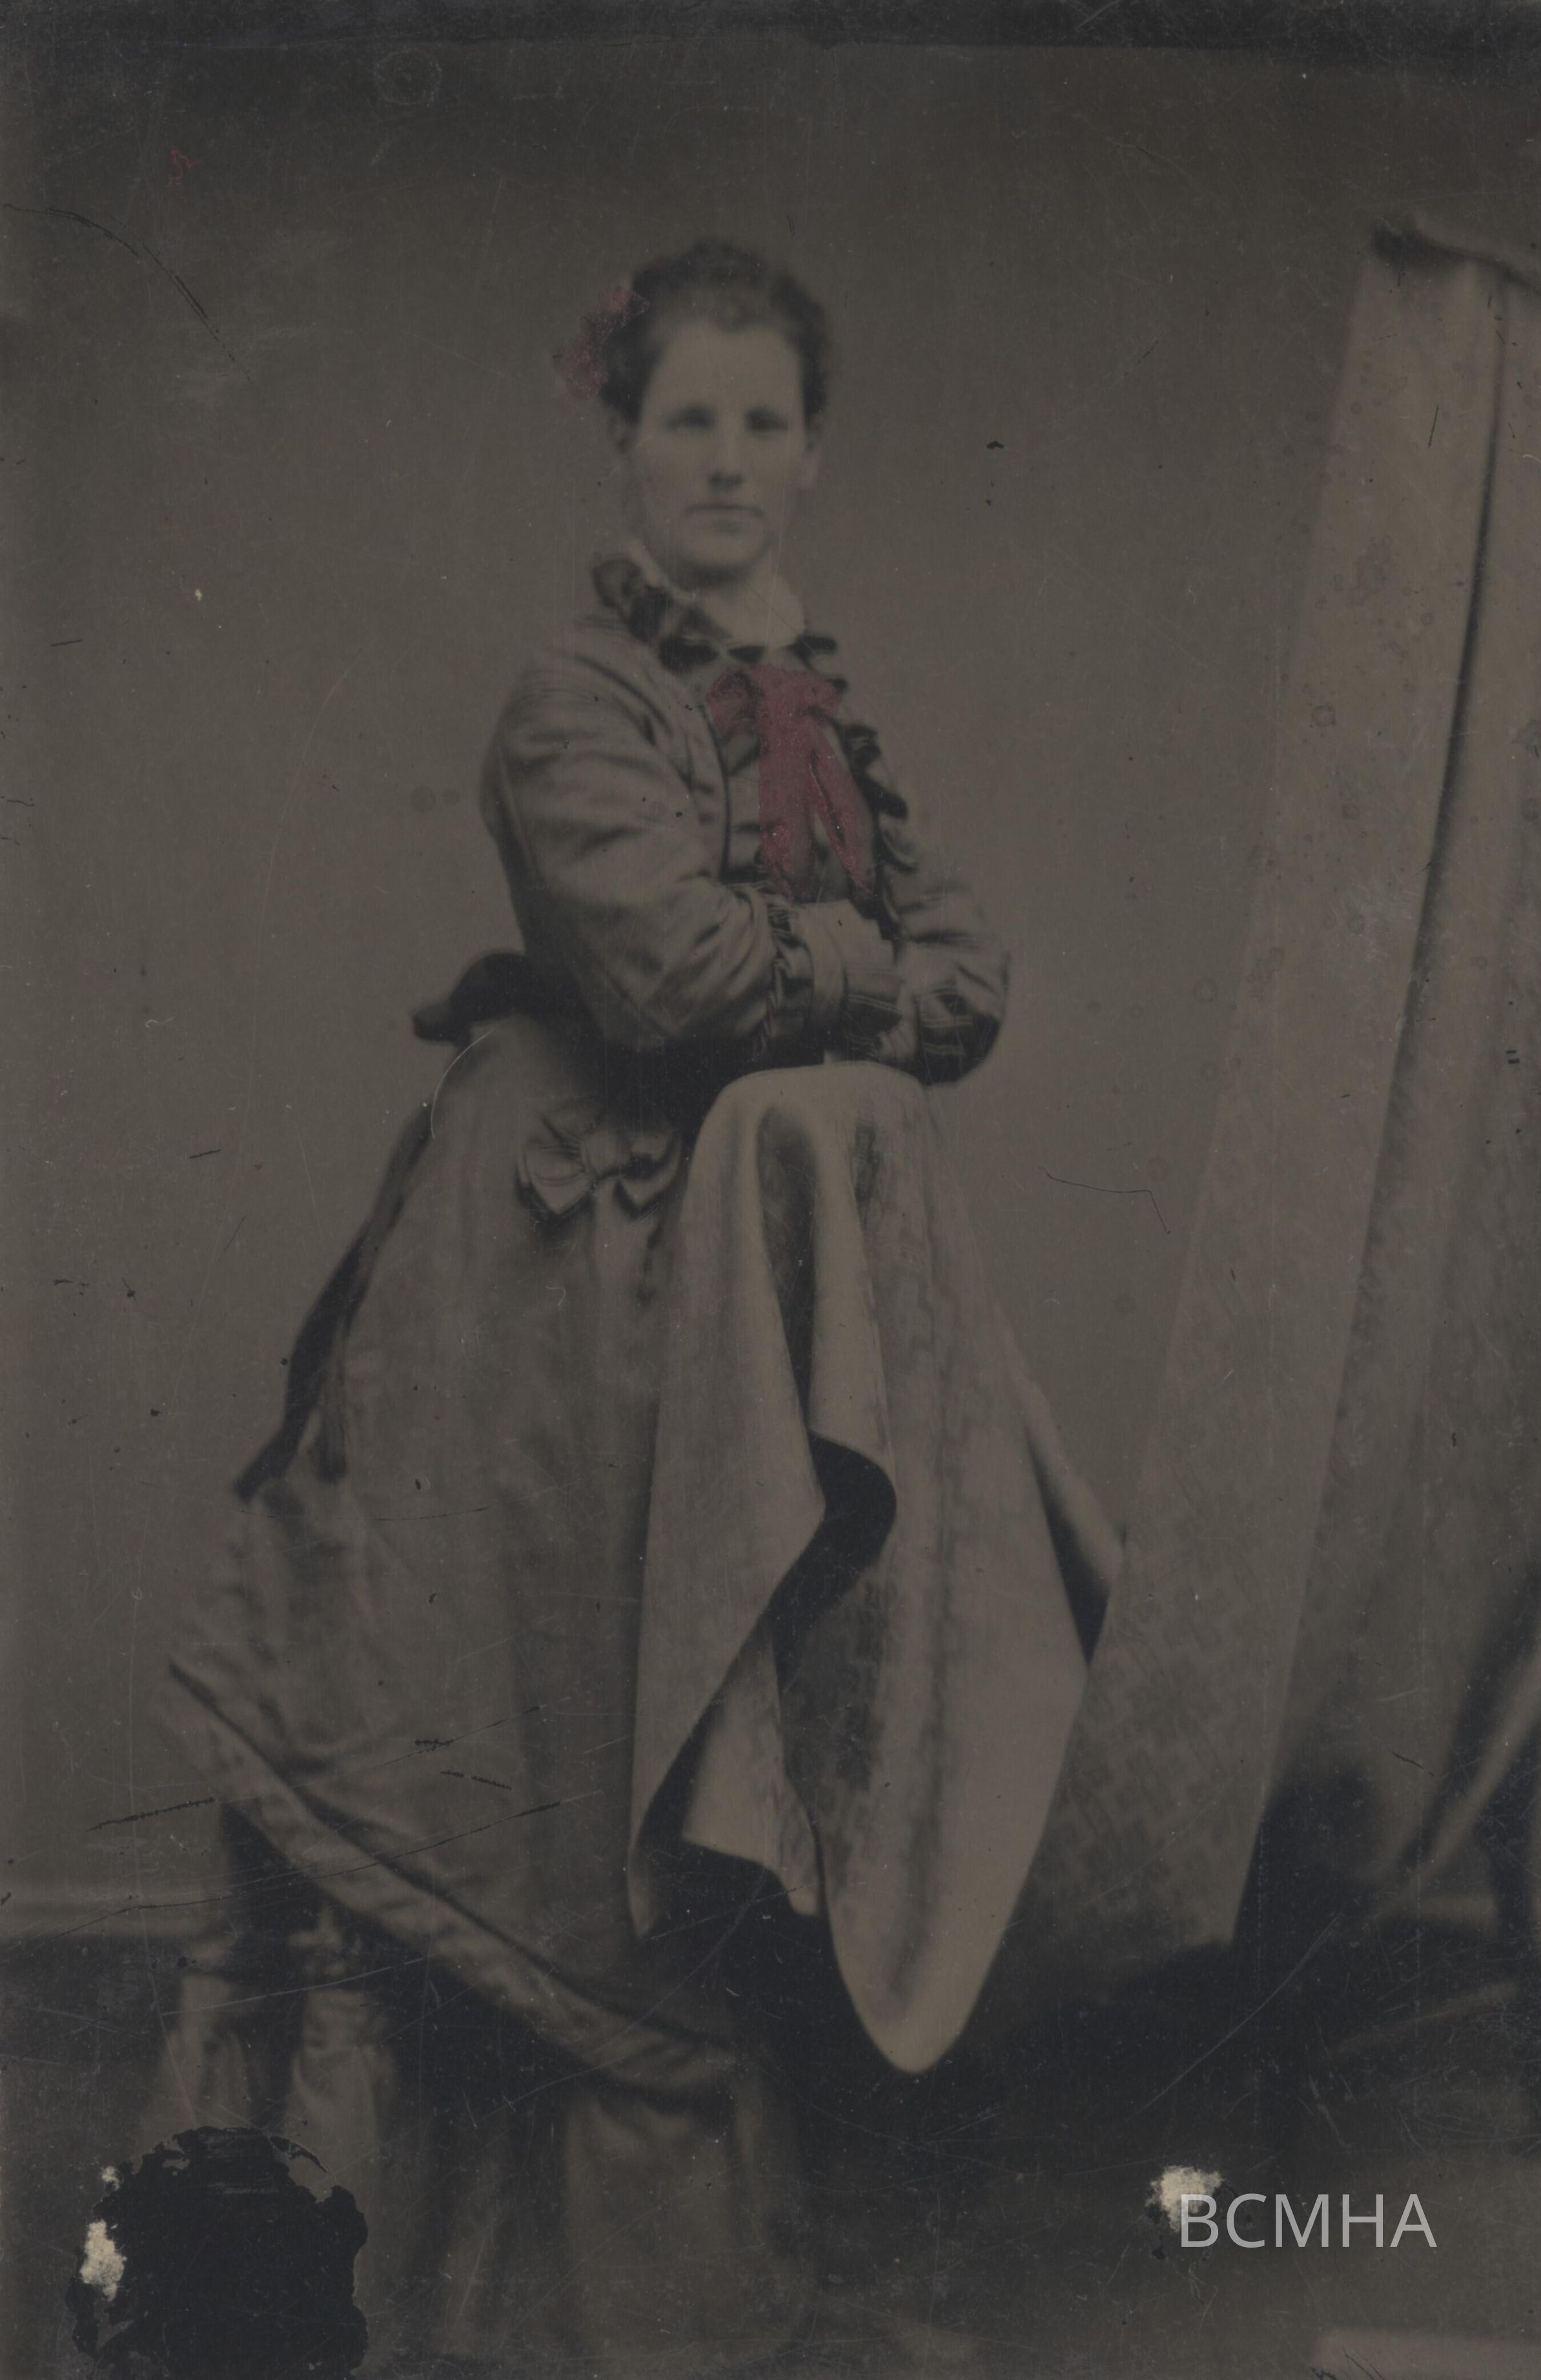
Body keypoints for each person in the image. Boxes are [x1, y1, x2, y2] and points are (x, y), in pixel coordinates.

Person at [151, 240, 1112, 2378]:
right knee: (549, 1750)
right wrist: (857, 977)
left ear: (817, 452)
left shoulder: (833, 715)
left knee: (723, 1740)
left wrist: (836, 979)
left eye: (767, 421)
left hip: (739, 1288)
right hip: (544, 1288)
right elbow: (673, 983)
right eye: (691, 418)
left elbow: (975, 980)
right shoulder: (572, 702)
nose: (729, 461)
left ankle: (680, 2289)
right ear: (623, 439)